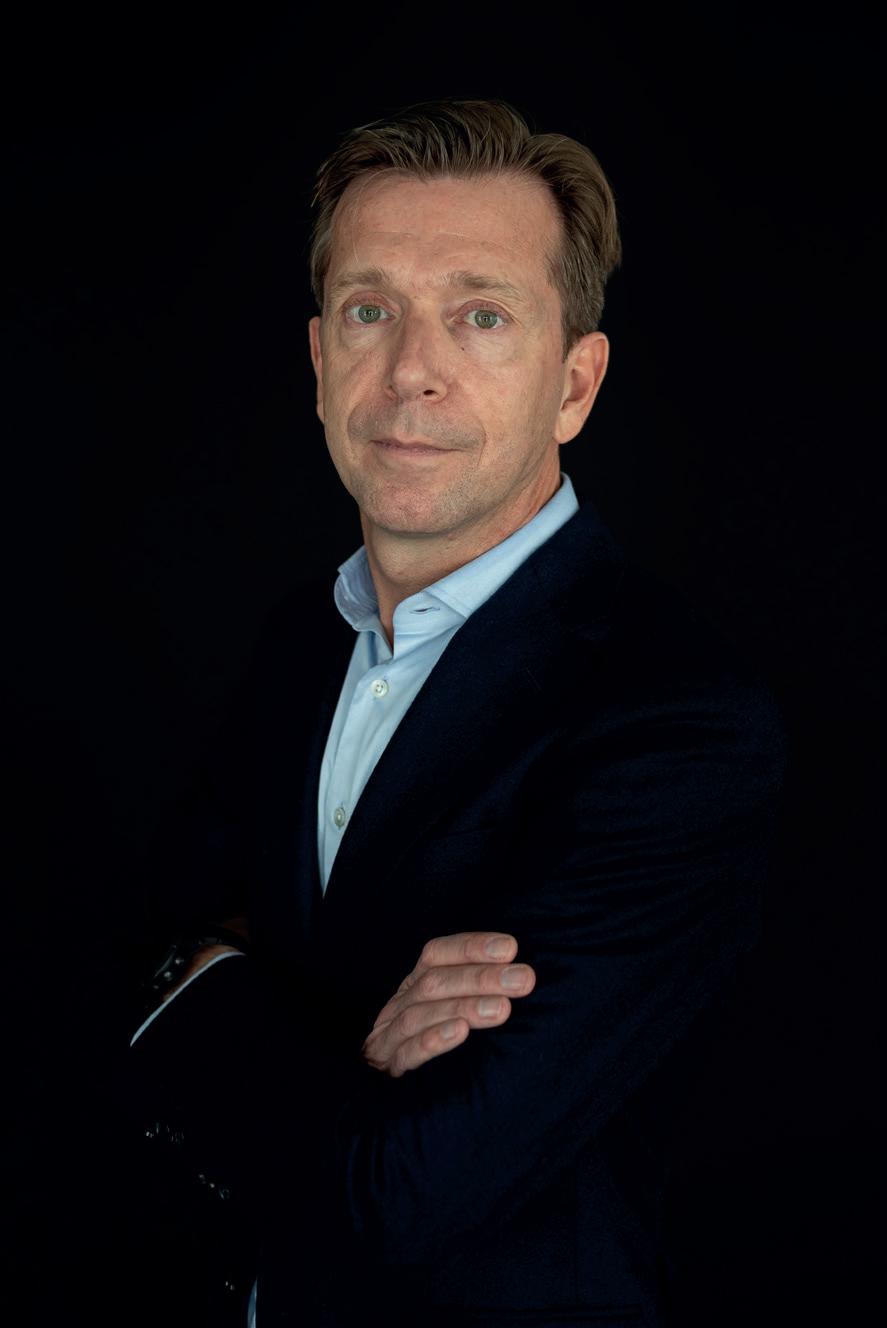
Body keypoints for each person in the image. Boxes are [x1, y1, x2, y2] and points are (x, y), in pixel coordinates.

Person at [128, 99, 785, 1327]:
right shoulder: (297, 641)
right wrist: (345, 1041)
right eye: (369, 310)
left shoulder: (675, 719)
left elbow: (410, 1185)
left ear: (573, 383)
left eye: (479, 314)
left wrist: (208, 985)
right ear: (318, 359)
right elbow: (133, 931)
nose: (408, 369)